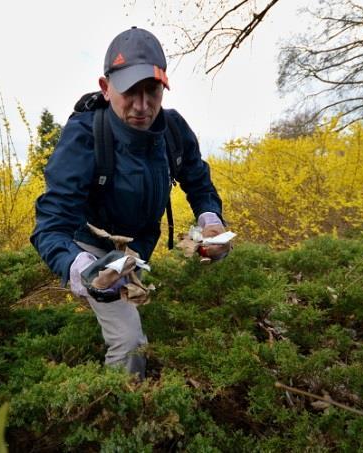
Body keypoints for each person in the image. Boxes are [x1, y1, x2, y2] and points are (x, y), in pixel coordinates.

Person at [30, 27, 230, 378]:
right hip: (88, 249)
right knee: (130, 340)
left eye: (151, 91)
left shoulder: (173, 130)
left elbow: (199, 184)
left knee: (139, 312)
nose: (142, 106)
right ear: (106, 89)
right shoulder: (84, 135)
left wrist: (210, 221)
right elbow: (51, 225)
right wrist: (82, 269)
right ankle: (122, 411)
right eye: (129, 92)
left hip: (136, 250)